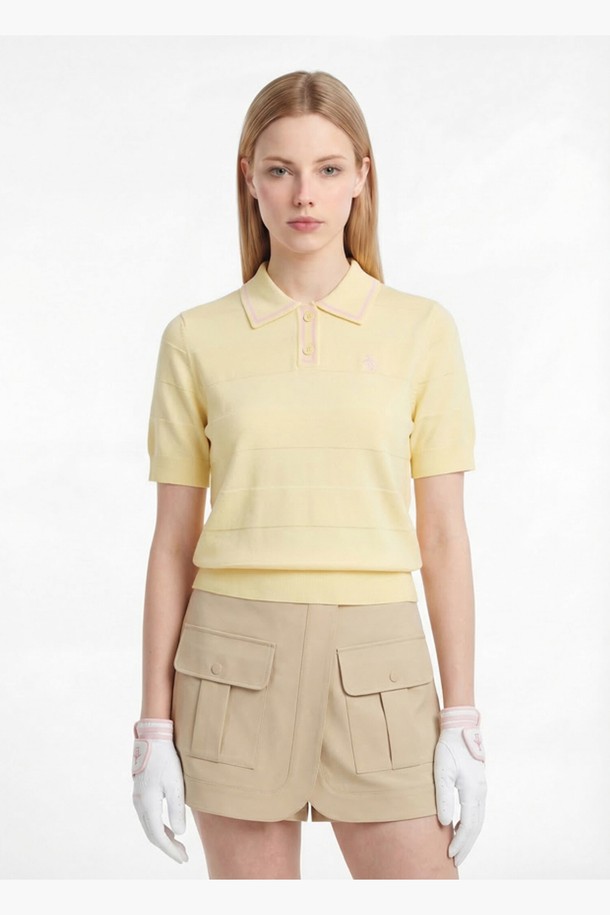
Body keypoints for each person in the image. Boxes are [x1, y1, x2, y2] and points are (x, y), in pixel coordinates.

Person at [131, 69, 487, 880]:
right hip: (231, 662)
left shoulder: (422, 331)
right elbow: (172, 542)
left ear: (361, 176)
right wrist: (153, 726)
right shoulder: (195, 338)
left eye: (328, 168)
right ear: (249, 179)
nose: (305, 194)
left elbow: (443, 534)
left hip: (380, 664)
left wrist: (461, 715)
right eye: (280, 168)